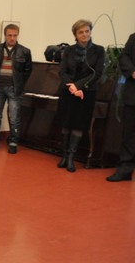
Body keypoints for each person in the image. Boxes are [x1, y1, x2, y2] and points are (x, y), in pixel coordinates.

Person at [55, 19, 105, 172]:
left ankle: (71, 158)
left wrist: (79, 86)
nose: (84, 34)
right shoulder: (69, 50)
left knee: (78, 125)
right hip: (68, 91)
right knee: (66, 124)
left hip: (86, 93)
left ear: (90, 32)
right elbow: (62, 71)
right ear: (75, 35)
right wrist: (72, 86)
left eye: (87, 31)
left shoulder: (99, 50)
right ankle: (64, 156)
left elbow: (97, 73)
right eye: (81, 32)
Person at [0, 24, 33, 154]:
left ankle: (13, 142)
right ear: (4, 35)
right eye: (9, 35)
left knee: (14, 117)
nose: (12, 38)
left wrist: (19, 84)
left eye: (15, 35)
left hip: (15, 88)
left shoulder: (25, 51)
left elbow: (28, 71)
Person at [107, 32, 135, 182]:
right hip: (133, 94)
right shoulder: (134, 37)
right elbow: (124, 56)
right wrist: (132, 72)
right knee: (129, 134)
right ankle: (125, 169)